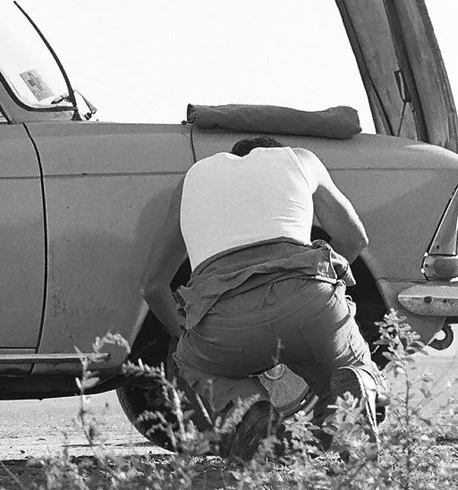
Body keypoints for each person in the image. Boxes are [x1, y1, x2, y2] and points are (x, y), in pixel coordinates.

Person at [138, 134, 380, 457]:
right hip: (310, 303)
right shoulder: (300, 159)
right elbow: (355, 238)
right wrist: (319, 285)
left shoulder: (193, 180)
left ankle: (249, 412)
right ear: (275, 154)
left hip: (222, 319)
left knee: (192, 362)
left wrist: (190, 338)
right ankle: (350, 400)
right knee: (351, 366)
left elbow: (153, 286)